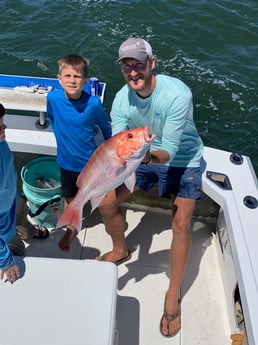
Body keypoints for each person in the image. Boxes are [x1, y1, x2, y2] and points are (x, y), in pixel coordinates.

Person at [97, 38, 204, 337]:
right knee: (106, 203)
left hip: (182, 160)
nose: (133, 71)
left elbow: (168, 150)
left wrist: (142, 156)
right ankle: (120, 248)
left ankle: (173, 294)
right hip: (139, 159)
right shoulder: (120, 100)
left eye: (138, 63)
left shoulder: (177, 94)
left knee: (181, 224)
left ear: (152, 63)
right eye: (126, 66)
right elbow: (118, 144)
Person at [47, 54, 111, 251]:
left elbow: (106, 128)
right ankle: (72, 227)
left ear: (84, 81)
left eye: (76, 77)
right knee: (70, 198)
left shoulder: (93, 104)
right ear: (59, 79)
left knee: (101, 198)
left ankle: (111, 221)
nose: (72, 81)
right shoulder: (53, 98)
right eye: (67, 76)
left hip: (90, 164)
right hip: (66, 162)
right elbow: (51, 118)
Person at [0, 103, 26, 284]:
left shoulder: (0, 140)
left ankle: (28, 231)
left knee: (23, 218)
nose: (5, 128)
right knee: (17, 248)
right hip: (3, 226)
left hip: (13, 199)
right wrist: (5, 261)